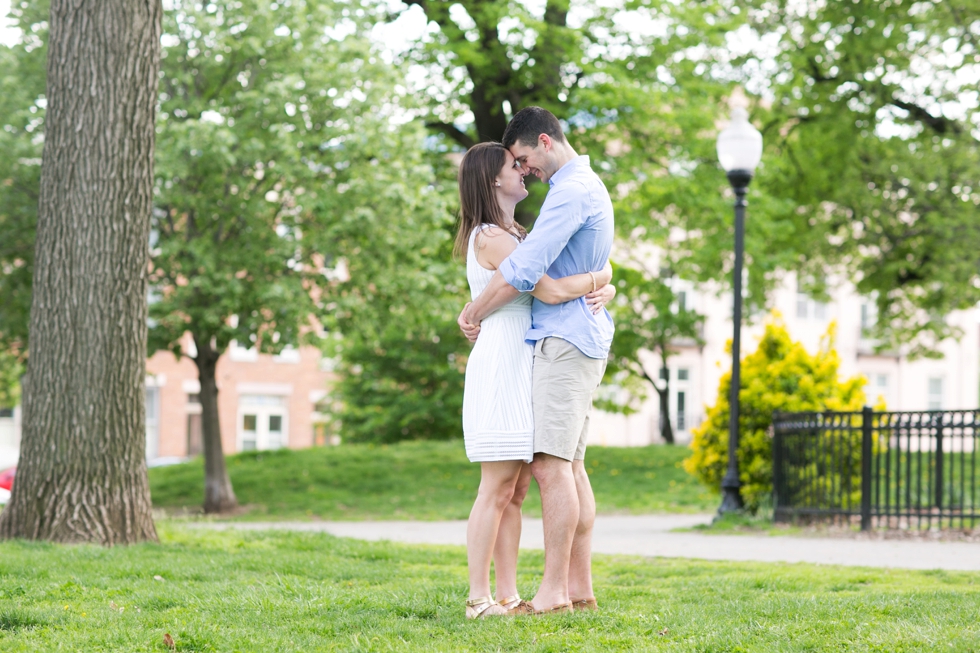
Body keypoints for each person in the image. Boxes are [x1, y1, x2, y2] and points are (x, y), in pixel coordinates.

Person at [459, 107, 615, 616]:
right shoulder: (550, 204)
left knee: (551, 469)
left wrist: (474, 311)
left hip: (561, 340)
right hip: (530, 349)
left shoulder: (569, 192)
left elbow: (534, 278)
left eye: (524, 159)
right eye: (514, 166)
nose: (524, 170)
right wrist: (599, 278)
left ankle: (554, 594)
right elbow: (540, 275)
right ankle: (558, 591)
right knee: (556, 469)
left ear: (544, 142)